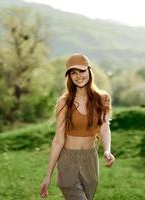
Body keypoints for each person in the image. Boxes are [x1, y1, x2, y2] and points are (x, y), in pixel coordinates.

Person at [40, 53, 115, 200]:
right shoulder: (65, 101)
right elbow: (58, 140)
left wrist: (107, 150)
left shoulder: (103, 99)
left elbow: (104, 128)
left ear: (89, 71)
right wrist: (48, 176)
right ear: (69, 77)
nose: (78, 76)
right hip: (68, 160)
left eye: (81, 71)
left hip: (90, 160)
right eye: (73, 72)